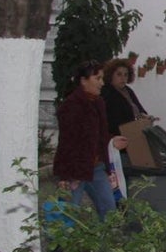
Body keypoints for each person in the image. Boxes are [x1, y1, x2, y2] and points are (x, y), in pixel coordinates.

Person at [53, 60, 128, 219]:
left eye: (102, 78)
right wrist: (65, 177)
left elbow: (101, 134)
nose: (101, 83)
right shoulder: (70, 106)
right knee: (67, 214)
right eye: (97, 78)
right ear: (83, 81)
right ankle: (60, 243)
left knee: (109, 210)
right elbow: (67, 143)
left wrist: (112, 141)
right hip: (75, 169)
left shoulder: (98, 102)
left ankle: (105, 242)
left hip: (97, 167)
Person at [101, 57, 153, 137]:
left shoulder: (128, 91)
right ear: (111, 75)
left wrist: (145, 116)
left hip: (135, 133)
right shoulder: (107, 93)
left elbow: (139, 108)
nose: (123, 78)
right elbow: (113, 122)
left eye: (126, 75)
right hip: (120, 138)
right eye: (119, 74)